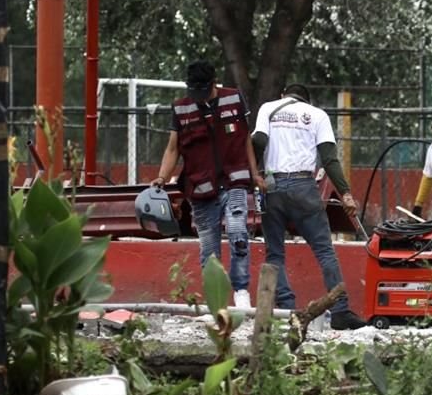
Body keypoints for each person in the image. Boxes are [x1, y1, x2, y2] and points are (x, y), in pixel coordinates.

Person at [251, 83, 365, 330]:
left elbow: (258, 140)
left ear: (283, 95)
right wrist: (345, 193)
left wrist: (253, 174)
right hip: (304, 186)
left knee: (275, 253)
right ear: (307, 100)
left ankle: (286, 309)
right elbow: (330, 159)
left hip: (272, 186)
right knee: (324, 250)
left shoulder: (268, 108)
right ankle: (340, 310)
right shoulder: (317, 115)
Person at [152, 59, 262, 309]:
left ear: (213, 84)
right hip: (200, 188)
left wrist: (255, 174)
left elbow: (245, 140)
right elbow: (173, 148)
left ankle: (241, 291)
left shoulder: (233, 99)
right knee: (209, 250)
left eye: (202, 91)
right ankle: (216, 302)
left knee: (237, 231)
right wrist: (161, 176)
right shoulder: (181, 109)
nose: (198, 97)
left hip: (235, 181)